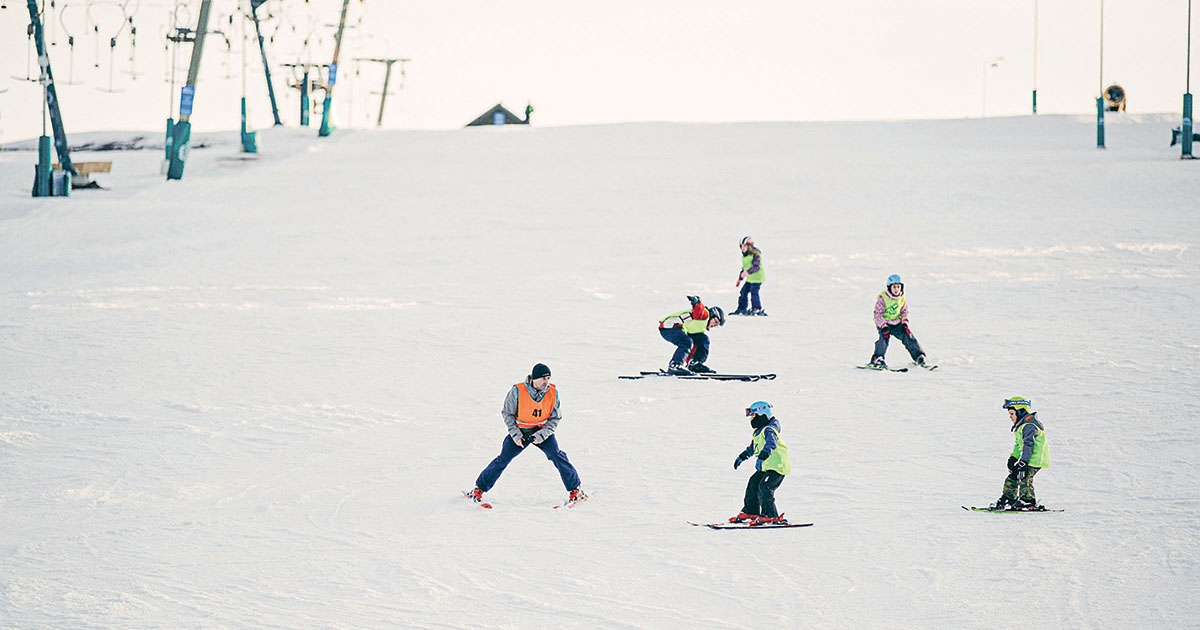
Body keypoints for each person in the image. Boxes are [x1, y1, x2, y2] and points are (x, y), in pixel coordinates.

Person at [467, 363, 585, 504]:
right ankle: (478, 489)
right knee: (503, 459)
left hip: (542, 432)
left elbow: (555, 418)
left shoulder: (553, 392)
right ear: (534, 378)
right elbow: (507, 414)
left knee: (557, 455)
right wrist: (516, 435)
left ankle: (575, 490)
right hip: (520, 432)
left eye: (548, 378)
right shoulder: (517, 391)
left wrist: (541, 435)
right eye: (543, 378)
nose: (546, 381)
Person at [730, 400, 792, 525]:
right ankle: (751, 511)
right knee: (753, 483)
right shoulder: (759, 432)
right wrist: (742, 457)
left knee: (765, 488)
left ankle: (771, 515)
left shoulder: (769, 430)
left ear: (763, 415)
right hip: (767, 467)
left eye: (753, 416)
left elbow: (771, 444)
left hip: (778, 467)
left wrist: (762, 457)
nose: (751, 420)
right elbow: (753, 448)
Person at [989, 397, 1050, 511]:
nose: (1011, 417)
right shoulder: (1020, 427)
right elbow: (1018, 446)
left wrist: (1023, 462)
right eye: (1009, 414)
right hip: (1027, 458)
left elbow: (1028, 445)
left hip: (1035, 459)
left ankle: (1028, 500)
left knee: (1024, 477)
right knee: (1013, 475)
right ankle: (1009, 498)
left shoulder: (1029, 426)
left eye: (1012, 414)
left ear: (1020, 412)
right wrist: (1013, 458)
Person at [868, 274, 929, 369]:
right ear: (889, 288)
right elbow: (877, 314)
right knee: (884, 338)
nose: (896, 289)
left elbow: (904, 312)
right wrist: (883, 326)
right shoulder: (883, 298)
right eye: (894, 287)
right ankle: (877, 358)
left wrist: (905, 323)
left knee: (908, 336)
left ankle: (918, 356)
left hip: (897, 324)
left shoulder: (902, 298)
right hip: (884, 323)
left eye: (898, 287)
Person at [658, 296, 726, 375]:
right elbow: (699, 311)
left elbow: (693, 347)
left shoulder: (701, 327)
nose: (714, 325)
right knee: (686, 342)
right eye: (716, 322)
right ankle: (675, 365)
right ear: (712, 314)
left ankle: (694, 363)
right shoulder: (705, 315)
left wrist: (689, 361)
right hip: (669, 327)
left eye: (717, 325)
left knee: (703, 339)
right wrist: (697, 302)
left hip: (679, 329)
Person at [732, 236, 767, 316]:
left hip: (757, 278)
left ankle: (756, 308)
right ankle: (742, 308)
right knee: (743, 292)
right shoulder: (745, 257)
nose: (742, 248)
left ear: (749, 246)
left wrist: (747, 272)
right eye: (741, 247)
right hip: (750, 279)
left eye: (744, 246)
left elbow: (756, 267)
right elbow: (744, 268)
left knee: (754, 293)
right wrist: (740, 279)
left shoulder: (755, 255)